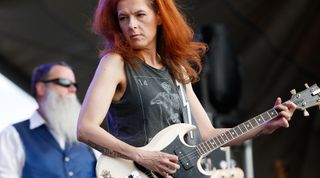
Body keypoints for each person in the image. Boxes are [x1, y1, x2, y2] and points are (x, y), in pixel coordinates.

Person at [77, 0, 297, 177]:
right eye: (123, 18)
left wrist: (264, 125)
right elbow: (85, 129)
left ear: (160, 17)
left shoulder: (177, 69)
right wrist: (142, 156)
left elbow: (208, 135)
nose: (131, 24)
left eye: (140, 15)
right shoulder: (115, 62)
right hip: (131, 172)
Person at [0, 62, 97, 178]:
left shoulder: (85, 139)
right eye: (64, 83)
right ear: (41, 88)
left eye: (75, 85)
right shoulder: (12, 135)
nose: (72, 90)